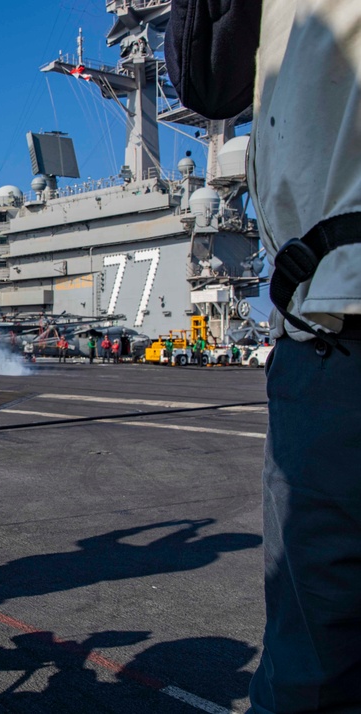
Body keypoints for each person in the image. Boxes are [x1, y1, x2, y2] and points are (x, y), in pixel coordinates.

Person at [169, 2, 361, 711]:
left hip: (335, 342)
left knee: (314, 670)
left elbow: (207, 81)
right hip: (331, 330)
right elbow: (208, 83)